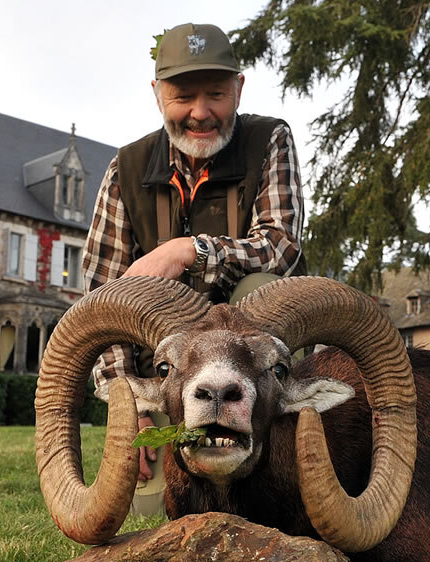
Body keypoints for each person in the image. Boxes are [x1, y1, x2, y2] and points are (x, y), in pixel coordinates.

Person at [82, 23, 306, 505]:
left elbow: (281, 245)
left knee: (263, 284)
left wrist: (192, 250)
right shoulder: (126, 169)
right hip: (171, 381)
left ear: (239, 89)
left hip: (251, 377)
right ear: (158, 94)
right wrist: (130, 410)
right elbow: (99, 297)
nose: (200, 113)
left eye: (217, 94)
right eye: (183, 95)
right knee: (151, 509)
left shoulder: (269, 141)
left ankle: (282, 448)